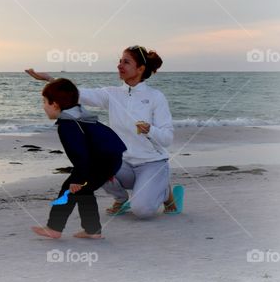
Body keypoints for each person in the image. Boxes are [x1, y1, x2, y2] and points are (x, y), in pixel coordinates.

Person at [26, 45, 179, 218]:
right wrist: (50, 80)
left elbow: (167, 138)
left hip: (152, 163)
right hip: (124, 164)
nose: (120, 65)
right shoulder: (112, 94)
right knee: (95, 162)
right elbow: (75, 94)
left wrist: (150, 130)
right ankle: (121, 198)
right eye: (120, 61)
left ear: (140, 69)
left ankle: (164, 191)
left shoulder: (155, 97)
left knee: (142, 211)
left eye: (126, 62)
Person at [30, 78, 125, 239]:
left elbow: (79, 153)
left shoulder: (68, 125)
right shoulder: (78, 114)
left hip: (102, 160)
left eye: (45, 102)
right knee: (84, 191)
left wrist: (78, 178)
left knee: (69, 189)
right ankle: (92, 230)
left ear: (55, 105)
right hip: (111, 157)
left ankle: (54, 228)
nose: (43, 106)